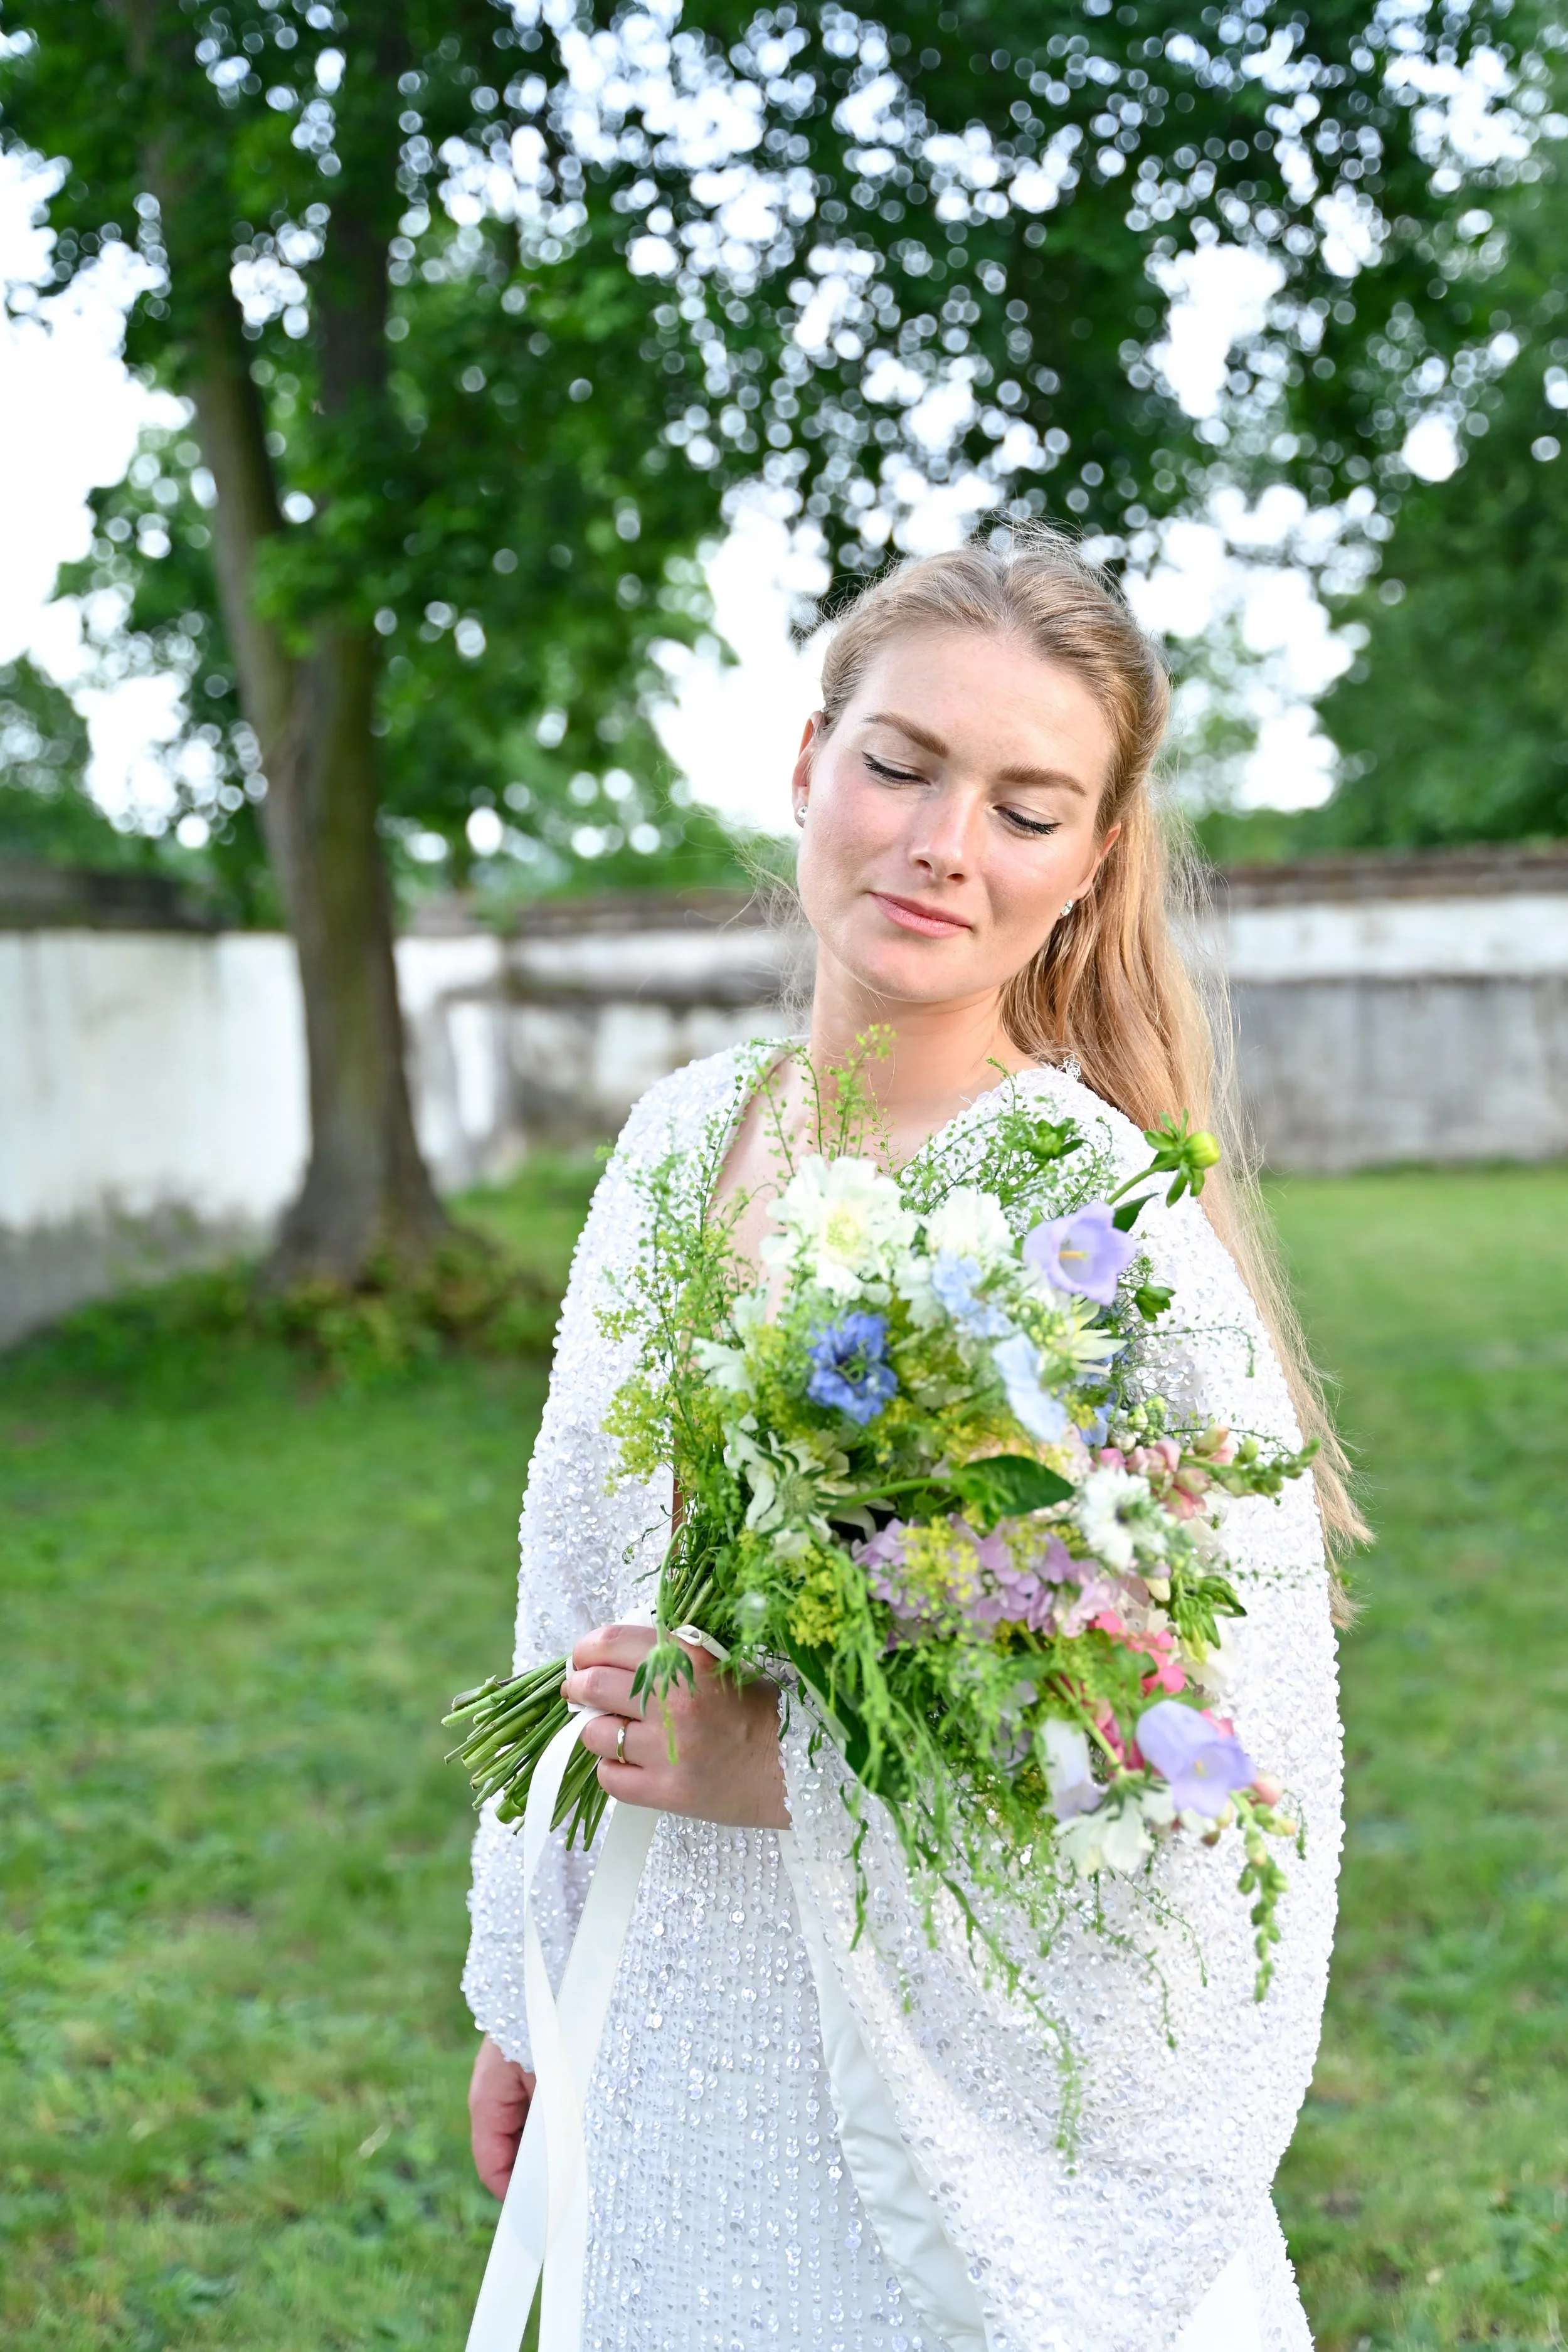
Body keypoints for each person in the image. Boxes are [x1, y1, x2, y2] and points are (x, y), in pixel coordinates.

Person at [462, 529, 1352, 2352]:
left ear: (1090, 864)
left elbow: (1203, 1758)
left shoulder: (1097, 1230)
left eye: (1028, 807)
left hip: (925, 2087)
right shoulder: (672, 1139)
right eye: (899, 765)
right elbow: (566, 1582)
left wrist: (792, 1771)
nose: (943, 843)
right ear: (808, 764)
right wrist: (526, 1982)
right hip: (661, 2004)